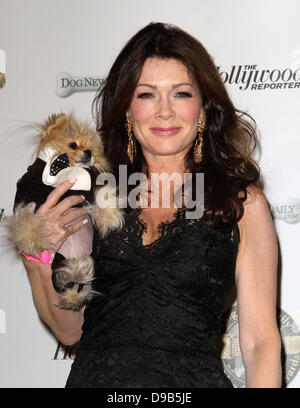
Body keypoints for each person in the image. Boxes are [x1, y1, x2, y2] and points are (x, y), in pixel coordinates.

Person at [21, 22, 281, 388]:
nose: (164, 112)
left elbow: (259, 342)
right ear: (127, 109)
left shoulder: (239, 203)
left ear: (203, 107)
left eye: (180, 94)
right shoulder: (93, 195)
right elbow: (69, 330)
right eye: (146, 95)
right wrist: (38, 256)